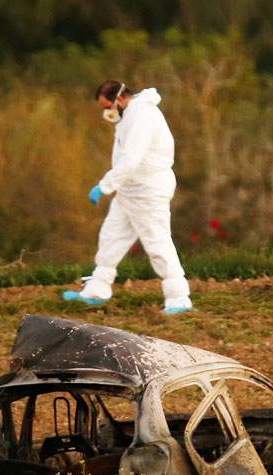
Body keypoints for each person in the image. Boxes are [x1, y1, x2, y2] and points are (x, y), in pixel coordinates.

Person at [62, 80, 193, 315]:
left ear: (120, 99)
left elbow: (132, 159)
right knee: (111, 236)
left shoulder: (142, 116)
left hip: (148, 190)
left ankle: (179, 297)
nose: (107, 112)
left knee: (157, 242)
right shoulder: (130, 117)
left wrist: (105, 186)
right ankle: (97, 289)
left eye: (107, 106)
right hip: (130, 190)